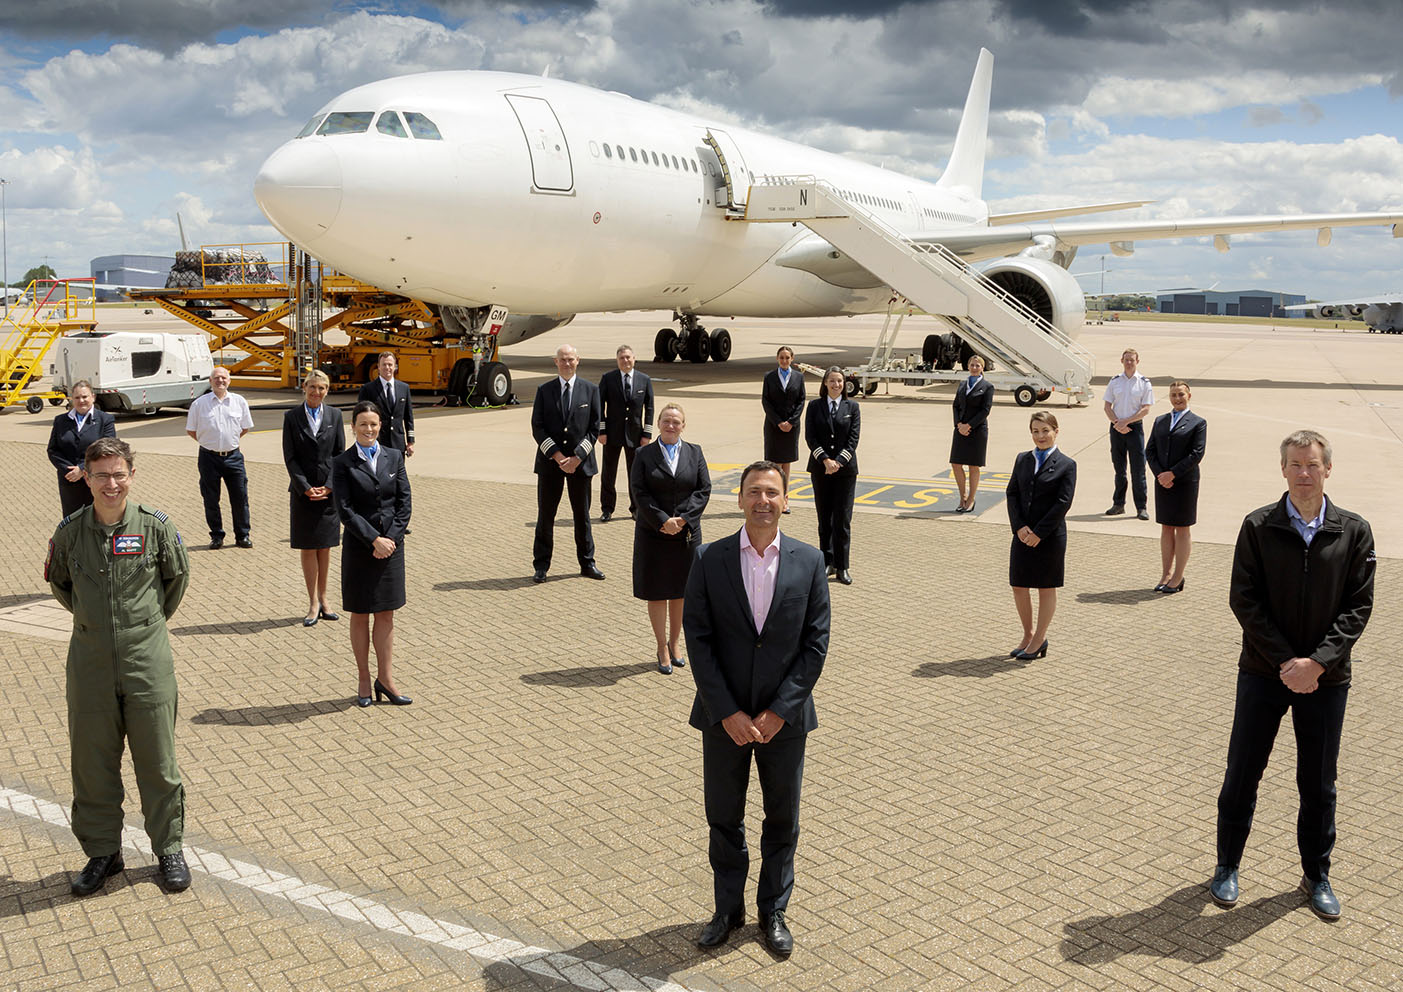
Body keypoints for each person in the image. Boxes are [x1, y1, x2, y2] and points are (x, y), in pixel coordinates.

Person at [1210, 430, 1375, 922]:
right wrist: (1287, 662)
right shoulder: (1258, 525)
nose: (1305, 473)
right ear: (1282, 469)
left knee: (1319, 782)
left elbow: (1358, 606)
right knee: (1242, 773)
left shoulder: (1354, 531)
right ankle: (1226, 866)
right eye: (1296, 465)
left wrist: (1317, 663)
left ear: (1328, 470)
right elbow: (1245, 599)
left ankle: (1316, 874)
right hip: (1264, 671)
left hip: (1327, 678)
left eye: (1313, 465)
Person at [683, 460, 830, 957]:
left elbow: (815, 645)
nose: (763, 501)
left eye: (772, 493)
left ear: (787, 500)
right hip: (723, 719)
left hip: (783, 722)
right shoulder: (709, 558)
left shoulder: (810, 562)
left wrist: (778, 711)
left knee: (781, 819)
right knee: (723, 818)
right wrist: (726, 710)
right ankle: (728, 910)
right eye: (753, 492)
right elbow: (698, 639)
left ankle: (773, 911)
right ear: (740, 498)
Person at [45, 437, 192, 896]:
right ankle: (103, 853)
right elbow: (61, 585)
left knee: (158, 760)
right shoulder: (69, 532)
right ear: (85, 478)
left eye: (119, 474)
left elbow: (176, 580)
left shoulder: (155, 528)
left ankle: (168, 848)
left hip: (146, 659)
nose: (111, 483)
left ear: (131, 475)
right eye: (101, 475)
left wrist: (140, 628)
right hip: (89, 662)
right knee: (92, 764)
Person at [332, 402, 413, 707]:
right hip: (360, 548)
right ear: (352, 427)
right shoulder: (342, 463)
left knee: (386, 614)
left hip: (391, 549)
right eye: (363, 424)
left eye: (374, 424)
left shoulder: (394, 456)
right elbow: (345, 509)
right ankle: (364, 679)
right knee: (360, 613)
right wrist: (373, 540)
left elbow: (404, 502)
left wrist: (389, 539)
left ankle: (386, 679)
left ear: (381, 426)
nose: (369, 430)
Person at [630, 402, 710, 674]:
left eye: (676, 421)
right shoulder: (643, 454)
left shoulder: (695, 452)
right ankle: (661, 645)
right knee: (657, 591)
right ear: (659, 423)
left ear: (683, 425)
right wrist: (663, 520)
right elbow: (639, 492)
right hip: (654, 533)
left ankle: (676, 643)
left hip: (685, 534)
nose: (671, 425)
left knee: (681, 591)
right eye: (666, 420)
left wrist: (683, 519)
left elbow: (703, 489)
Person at [1005, 411, 1076, 660]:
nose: (1040, 436)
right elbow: (1012, 494)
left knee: (1046, 588)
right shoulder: (1022, 459)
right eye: (1035, 431)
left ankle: (1039, 639)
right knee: (1018, 585)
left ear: (1056, 431)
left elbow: (1062, 503)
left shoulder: (1067, 464)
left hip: (1049, 538)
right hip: (1023, 534)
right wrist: (1020, 527)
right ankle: (1028, 634)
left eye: (1045, 430)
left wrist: (1039, 533)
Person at [531, 344, 604, 582]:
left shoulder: (591, 390)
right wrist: (558, 456)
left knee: (582, 516)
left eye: (571, 359)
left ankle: (587, 563)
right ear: (555, 362)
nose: (567, 363)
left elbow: (595, 428)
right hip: (551, 464)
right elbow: (537, 427)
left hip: (580, 465)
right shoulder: (544, 390)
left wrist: (577, 458)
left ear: (578, 361)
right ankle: (541, 566)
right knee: (546, 516)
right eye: (563, 360)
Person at [282, 370, 346, 626]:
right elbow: (290, 457)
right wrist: (306, 487)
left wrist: (330, 486)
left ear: (327, 390)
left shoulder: (335, 415)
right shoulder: (292, 417)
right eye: (312, 387)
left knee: (325, 546)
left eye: (322, 388)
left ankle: (324, 598)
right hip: (303, 493)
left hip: (328, 493)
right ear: (304, 387)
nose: (316, 392)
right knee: (308, 547)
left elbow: (340, 454)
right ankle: (312, 602)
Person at [1144, 380, 1206, 593]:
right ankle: (1166, 574)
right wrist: (1160, 474)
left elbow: (1196, 454)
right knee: (1166, 527)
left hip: (1184, 482)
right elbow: (1149, 450)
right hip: (1163, 482)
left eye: (1181, 394)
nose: (1177, 398)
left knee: (1182, 528)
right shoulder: (1161, 420)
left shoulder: (1198, 423)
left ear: (1189, 396)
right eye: (1173, 395)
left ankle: (1178, 576)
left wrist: (1173, 474)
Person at [185, 366, 254, 549]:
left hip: (234, 457)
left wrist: (228, 442)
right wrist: (212, 443)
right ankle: (216, 536)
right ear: (210, 381)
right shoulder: (199, 404)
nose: (220, 381)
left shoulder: (239, 402)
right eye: (216, 378)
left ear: (229, 381)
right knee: (210, 498)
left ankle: (242, 535)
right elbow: (192, 430)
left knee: (240, 498)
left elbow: (244, 428)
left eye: (223, 378)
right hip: (209, 458)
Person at [804, 366, 860, 584]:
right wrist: (826, 460)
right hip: (821, 469)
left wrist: (838, 462)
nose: (836, 385)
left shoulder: (852, 407)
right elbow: (811, 437)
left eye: (840, 381)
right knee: (824, 518)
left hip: (845, 472)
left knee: (843, 520)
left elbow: (853, 439)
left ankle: (843, 566)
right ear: (825, 383)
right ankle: (827, 561)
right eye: (832, 381)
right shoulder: (814, 406)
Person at [597, 344, 655, 522]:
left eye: (628, 357)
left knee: (635, 474)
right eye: (622, 358)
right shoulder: (608, 378)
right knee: (608, 473)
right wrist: (601, 430)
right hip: (612, 435)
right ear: (617, 360)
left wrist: (647, 434)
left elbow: (650, 408)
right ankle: (607, 508)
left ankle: (635, 508)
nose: (626, 361)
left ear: (634, 359)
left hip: (636, 435)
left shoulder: (644, 380)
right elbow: (599, 406)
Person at [46, 379, 117, 518]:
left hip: (96, 479)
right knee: (72, 521)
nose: (81, 401)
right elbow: (53, 450)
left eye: (85, 396)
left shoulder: (105, 420)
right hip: (69, 480)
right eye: (77, 397)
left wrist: (82, 469)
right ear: (72, 399)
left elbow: (108, 449)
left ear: (93, 397)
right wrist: (69, 470)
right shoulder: (60, 420)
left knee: (97, 518)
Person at [1102, 347, 1153, 519]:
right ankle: (1118, 504)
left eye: (1132, 360)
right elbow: (1107, 406)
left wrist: (1127, 422)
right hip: (1116, 428)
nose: (1129, 362)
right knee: (1119, 469)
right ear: (1121, 361)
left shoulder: (1144, 383)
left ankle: (1141, 507)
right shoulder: (1115, 381)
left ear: (1137, 362)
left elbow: (1146, 409)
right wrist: (1117, 423)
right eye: (1126, 359)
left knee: (1138, 470)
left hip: (1134, 429)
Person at [949, 354, 993, 513]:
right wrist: (958, 424)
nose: (974, 368)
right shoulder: (962, 384)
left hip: (977, 430)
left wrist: (969, 426)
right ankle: (963, 496)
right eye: (972, 365)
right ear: (968, 366)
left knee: (973, 466)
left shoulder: (988, 387)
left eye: (977, 366)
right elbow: (955, 406)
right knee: (956, 464)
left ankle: (971, 499)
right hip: (960, 429)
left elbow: (985, 410)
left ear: (982, 368)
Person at [761, 346, 805, 504]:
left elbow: (801, 401)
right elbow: (766, 401)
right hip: (774, 426)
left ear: (792, 359)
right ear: (777, 359)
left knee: (786, 463)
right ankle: (773, 498)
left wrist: (791, 422)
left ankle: (784, 499)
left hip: (791, 427)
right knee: (774, 464)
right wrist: (778, 422)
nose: (784, 361)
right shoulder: (770, 377)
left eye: (787, 358)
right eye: (782, 358)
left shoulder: (799, 377)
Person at [356, 351, 415, 456]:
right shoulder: (368, 389)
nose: (387, 367)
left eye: (390, 365)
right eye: (384, 364)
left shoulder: (404, 388)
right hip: (377, 442)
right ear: (378, 367)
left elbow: (408, 417)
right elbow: (361, 417)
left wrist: (410, 441)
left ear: (395, 367)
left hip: (398, 444)